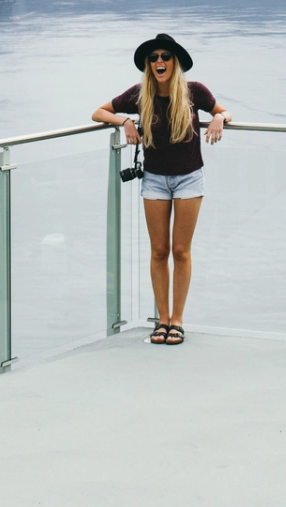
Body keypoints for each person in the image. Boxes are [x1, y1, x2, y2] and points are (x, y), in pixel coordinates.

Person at [92, 32, 229, 345]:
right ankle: (162, 320)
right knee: (158, 251)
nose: (159, 62)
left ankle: (177, 320)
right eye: (153, 58)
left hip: (189, 178)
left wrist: (219, 117)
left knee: (180, 251)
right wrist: (125, 122)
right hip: (154, 180)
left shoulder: (195, 91)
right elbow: (98, 111)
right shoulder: (141, 94)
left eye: (165, 56)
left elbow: (223, 110)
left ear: (175, 61)